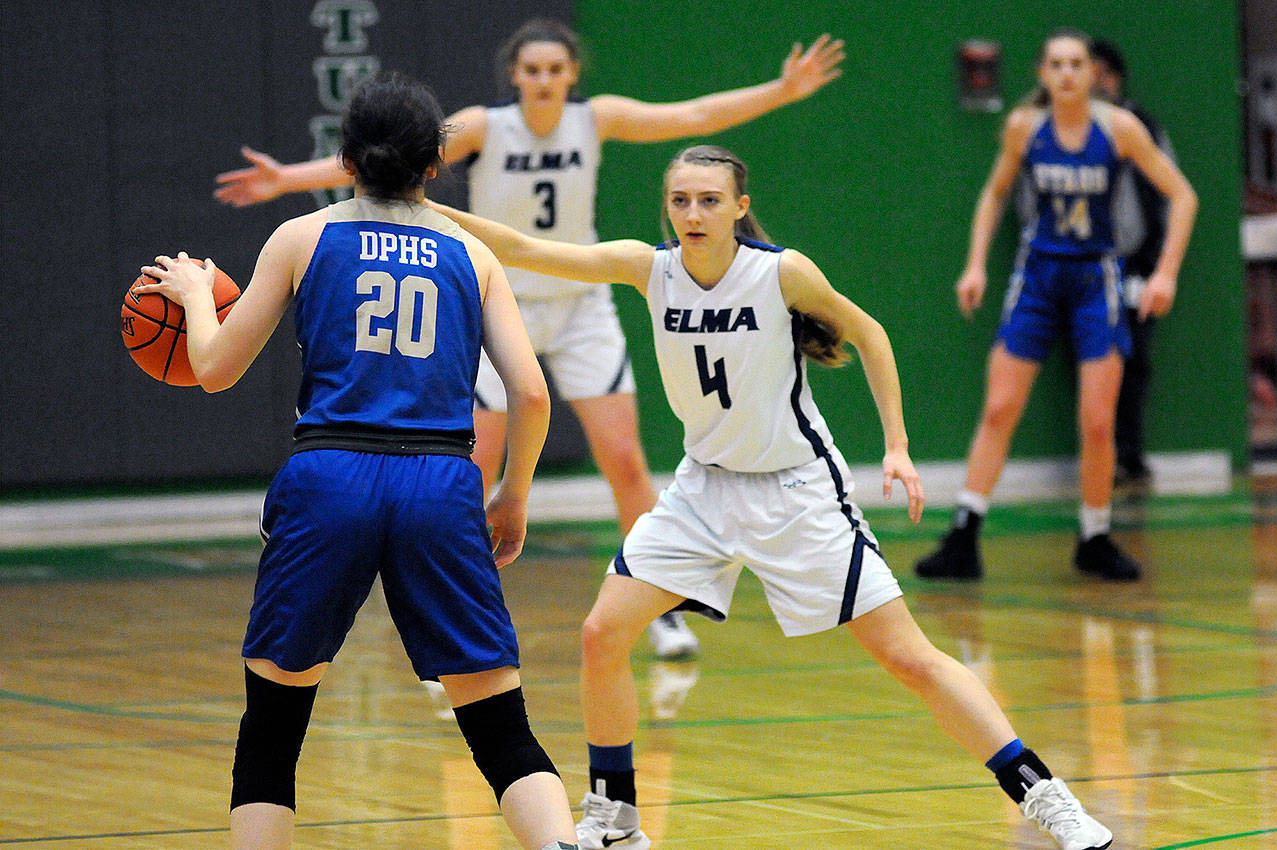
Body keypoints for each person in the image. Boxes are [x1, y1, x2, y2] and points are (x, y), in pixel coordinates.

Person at [430, 144, 1114, 850]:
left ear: (739, 207)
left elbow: (871, 336)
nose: (693, 213)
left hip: (795, 491)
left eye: (709, 200)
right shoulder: (650, 268)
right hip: (702, 489)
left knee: (909, 657)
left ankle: (1048, 799)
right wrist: (418, 207)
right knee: (602, 633)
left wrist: (899, 446)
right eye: (681, 201)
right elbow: (517, 245)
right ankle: (616, 821)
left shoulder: (780, 272)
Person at [214, 19, 846, 659]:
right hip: (500, 299)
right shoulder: (486, 126)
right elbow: (389, 153)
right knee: (473, 466)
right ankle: (457, 619)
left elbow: (698, 113)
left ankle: (664, 607)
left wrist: (782, 90)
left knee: (626, 461)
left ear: (572, 74)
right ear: (514, 76)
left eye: (555, 69)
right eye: (531, 70)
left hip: (580, 307)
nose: (543, 80)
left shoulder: (596, 117)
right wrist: (287, 179)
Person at [137, 71, 579, 850]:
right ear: (435, 165)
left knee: (272, 732)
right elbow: (532, 395)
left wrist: (196, 293)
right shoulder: (471, 254)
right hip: (442, 483)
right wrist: (511, 494)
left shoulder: (302, 239)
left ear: (345, 159)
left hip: (331, 476)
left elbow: (211, 368)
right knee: (501, 730)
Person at [915, 28, 1196, 583]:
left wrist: (1165, 273)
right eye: (1056, 64)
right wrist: (975, 263)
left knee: (1097, 422)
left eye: (1076, 64)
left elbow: (1183, 195)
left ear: (1092, 74)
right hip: (1039, 277)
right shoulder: (1026, 128)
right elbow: (995, 193)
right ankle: (964, 534)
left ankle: (1095, 536)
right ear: (1043, 75)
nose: (1067, 73)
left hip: (1096, 278)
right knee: (999, 408)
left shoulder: (1119, 129)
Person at [1089, 38, 1176, 488]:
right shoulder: (1058, 129)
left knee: (1133, 361)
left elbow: (1176, 196)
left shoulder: (1140, 126)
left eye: (1098, 71)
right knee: (1092, 366)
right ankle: (1100, 459)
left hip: (1134, 265)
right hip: (1080, 267)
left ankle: (1130, 455)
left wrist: (1162, 267)